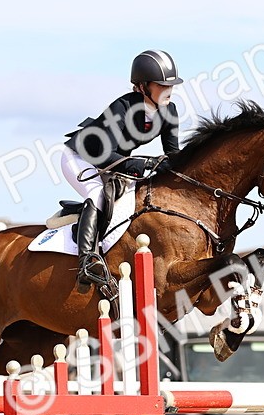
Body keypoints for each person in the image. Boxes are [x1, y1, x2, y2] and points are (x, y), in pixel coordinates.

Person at [62, 49, 183, 291]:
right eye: (162, 85)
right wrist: (144, 164)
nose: (168, 90)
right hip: (81, 158)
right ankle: (86, 261)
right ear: (142, 86)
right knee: (97, 194)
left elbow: (173, 156)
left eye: (171, 85)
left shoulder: (169, 111)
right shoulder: (122, 107)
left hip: (115, 161)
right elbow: (104, 156)